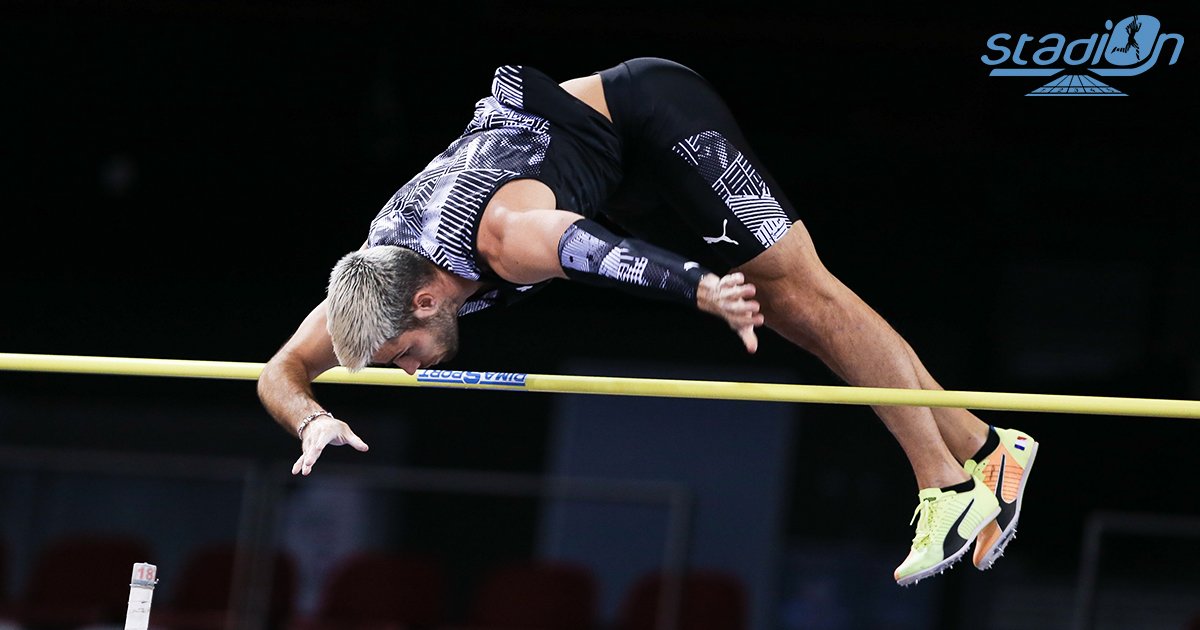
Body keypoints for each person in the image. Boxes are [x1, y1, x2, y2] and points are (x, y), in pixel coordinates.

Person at [256, 57, 1039, 585]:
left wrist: (701, 289)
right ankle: (986, 451)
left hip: (653, 115)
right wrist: (311, 419)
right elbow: (280, 371)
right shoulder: (371, 284)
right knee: (794, 315)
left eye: (401, 353)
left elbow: (603, 255)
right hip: (615, 171)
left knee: (805, 296)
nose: (407, 369)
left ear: (426, 301)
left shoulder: (504, 236)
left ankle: (944, 482)